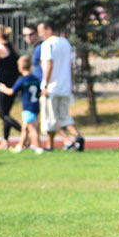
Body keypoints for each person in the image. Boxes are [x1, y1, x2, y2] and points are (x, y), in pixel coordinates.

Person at [38, 20, 84, 151]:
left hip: (52, 87)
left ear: (49, 30)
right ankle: (77, 137)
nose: (40, 34)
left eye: (41, 31)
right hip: (64, 86)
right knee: (64, 116)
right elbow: (70, 65)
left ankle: (49, 145)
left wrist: (44, 85)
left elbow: (48, 65)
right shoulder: (65, 43)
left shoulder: (47, 44)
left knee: (50, 117)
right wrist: (71, 84)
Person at [0, 56, 43, 154]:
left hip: (27, 107)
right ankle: (20, 146)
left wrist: (2, 88)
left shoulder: (22, 80)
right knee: (25, 128)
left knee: (32, 128)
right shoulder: (35, 79)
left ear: (20, 67)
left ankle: (38, 147)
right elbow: (40, 92)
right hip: (35, 106)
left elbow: (11, 92)